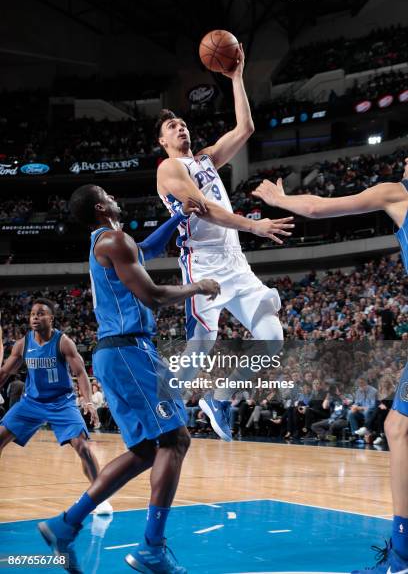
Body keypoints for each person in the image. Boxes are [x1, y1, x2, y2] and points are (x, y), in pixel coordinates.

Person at [38, 185, 220, 574]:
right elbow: (153, 295)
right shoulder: (113, 240)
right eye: (110, 194)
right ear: (102, 206)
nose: (117, 197)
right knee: (175, 439)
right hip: (129, 352)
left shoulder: (111, 242)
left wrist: (178, 218)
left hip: (117, 353)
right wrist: (198, 287)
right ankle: (152, 547)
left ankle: (65, 524)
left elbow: (147, 250)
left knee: (146, 451)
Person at [253, 157, 408, 573]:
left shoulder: (398, 192)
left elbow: (321, 207)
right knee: (397, 426)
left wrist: (280, 198)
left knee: (399, 428)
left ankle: (402, 556)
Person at [156, 45, 294, 441]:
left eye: (182, 123)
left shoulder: (204, 159)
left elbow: (245, 128)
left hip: (236, 262)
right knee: (199, 349)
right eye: (171, 127)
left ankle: (220, 396)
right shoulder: (169, 168)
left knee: (272, 336)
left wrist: (236, 78)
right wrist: (255, 226)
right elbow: (202, 209)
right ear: (163, 142)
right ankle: (163, 409)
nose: (181, 127)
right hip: (205, 266)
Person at [0, 299, 112, 516]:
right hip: (31, 403)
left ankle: (99, 497)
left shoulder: (64, 342)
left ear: (51, 318)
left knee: (83, 447)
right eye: (32, 314)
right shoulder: (23, 344)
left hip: (61, 403)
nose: (34, 317)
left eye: (40, 313)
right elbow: (5, 373)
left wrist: (88, 401)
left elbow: (80, 373)